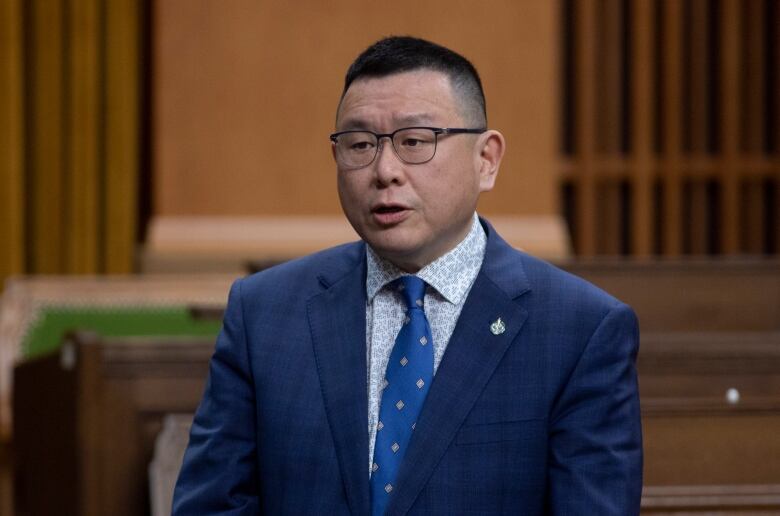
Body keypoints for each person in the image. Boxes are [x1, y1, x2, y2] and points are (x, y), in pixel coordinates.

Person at [173, 36, 642, 515]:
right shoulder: (264, 313)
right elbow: (212, 504)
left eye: (414, 141)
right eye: (359, 144)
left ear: (487, 160)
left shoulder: (580, 329)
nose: (385, 171)